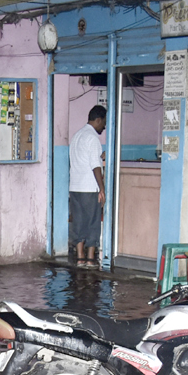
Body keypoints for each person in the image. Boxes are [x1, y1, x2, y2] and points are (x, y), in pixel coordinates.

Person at [68, 105, 107, 267]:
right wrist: (102, 188)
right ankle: (91, 259)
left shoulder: (77, 136)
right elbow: (95, 166)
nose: (104, 127)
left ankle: (80, 258)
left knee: (78, 222)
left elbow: (83, 160)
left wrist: (99, 157)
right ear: (98, 120)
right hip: (89, 188)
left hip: (75, 187)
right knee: (92, 223)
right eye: (103, 122)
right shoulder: (92, 138)